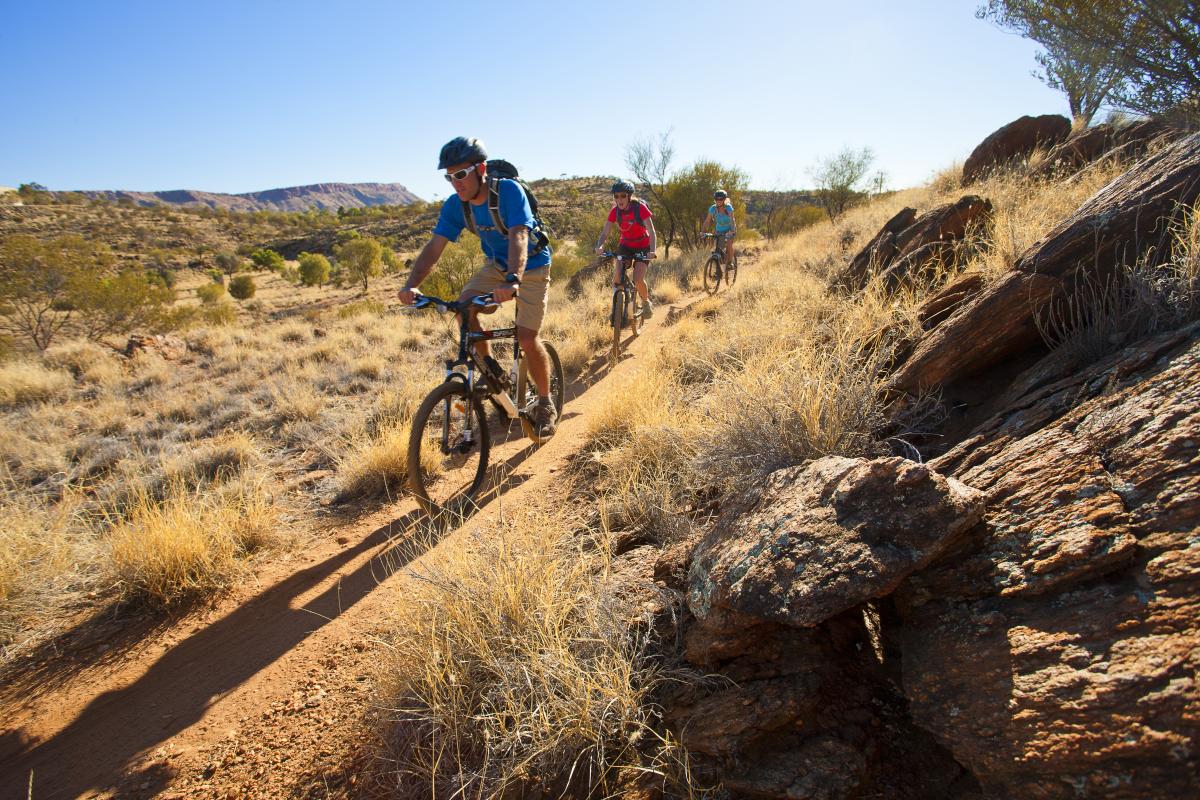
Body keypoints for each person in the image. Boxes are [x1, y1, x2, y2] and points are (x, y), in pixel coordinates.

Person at [398, 136, 558, 439]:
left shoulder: (507, 192)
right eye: (449, 176)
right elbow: (434, 248)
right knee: (464, 307)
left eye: (461, 174)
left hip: (533, 264)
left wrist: (513, 281)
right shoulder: (455, 206)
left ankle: (546, 403)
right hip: (496, 265)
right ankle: (491, 373)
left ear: (480, 169)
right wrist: (410, 286)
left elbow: (519, 236)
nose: (455, 182)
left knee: (526, 337)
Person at [595, 180, 657, 319]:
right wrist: (599, 246)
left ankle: (646, 302)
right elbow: (605, 232)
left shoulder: (639, 208)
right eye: (616, 196)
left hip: (643, 245)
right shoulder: (614, 211)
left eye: (623, 196)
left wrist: (652, 251)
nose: (619, 199)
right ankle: (616, 310)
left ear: (629, 196)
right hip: (626, 246)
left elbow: (652, 231)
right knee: (617, 277)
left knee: (638, 279)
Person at [701, 189, 737, 267]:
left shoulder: (728, 207)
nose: (718, 201)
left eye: (720, 199)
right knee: (718, 248)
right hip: (719, 231)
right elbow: (707, 221)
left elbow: (732, 220)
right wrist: (702, 232)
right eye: (717, 199)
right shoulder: (713, 208)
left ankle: (730, 262)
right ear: (715, 200)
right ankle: (718, 268)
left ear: (724, 199)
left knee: (729, 244)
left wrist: (732, 231)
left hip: (730, 229)